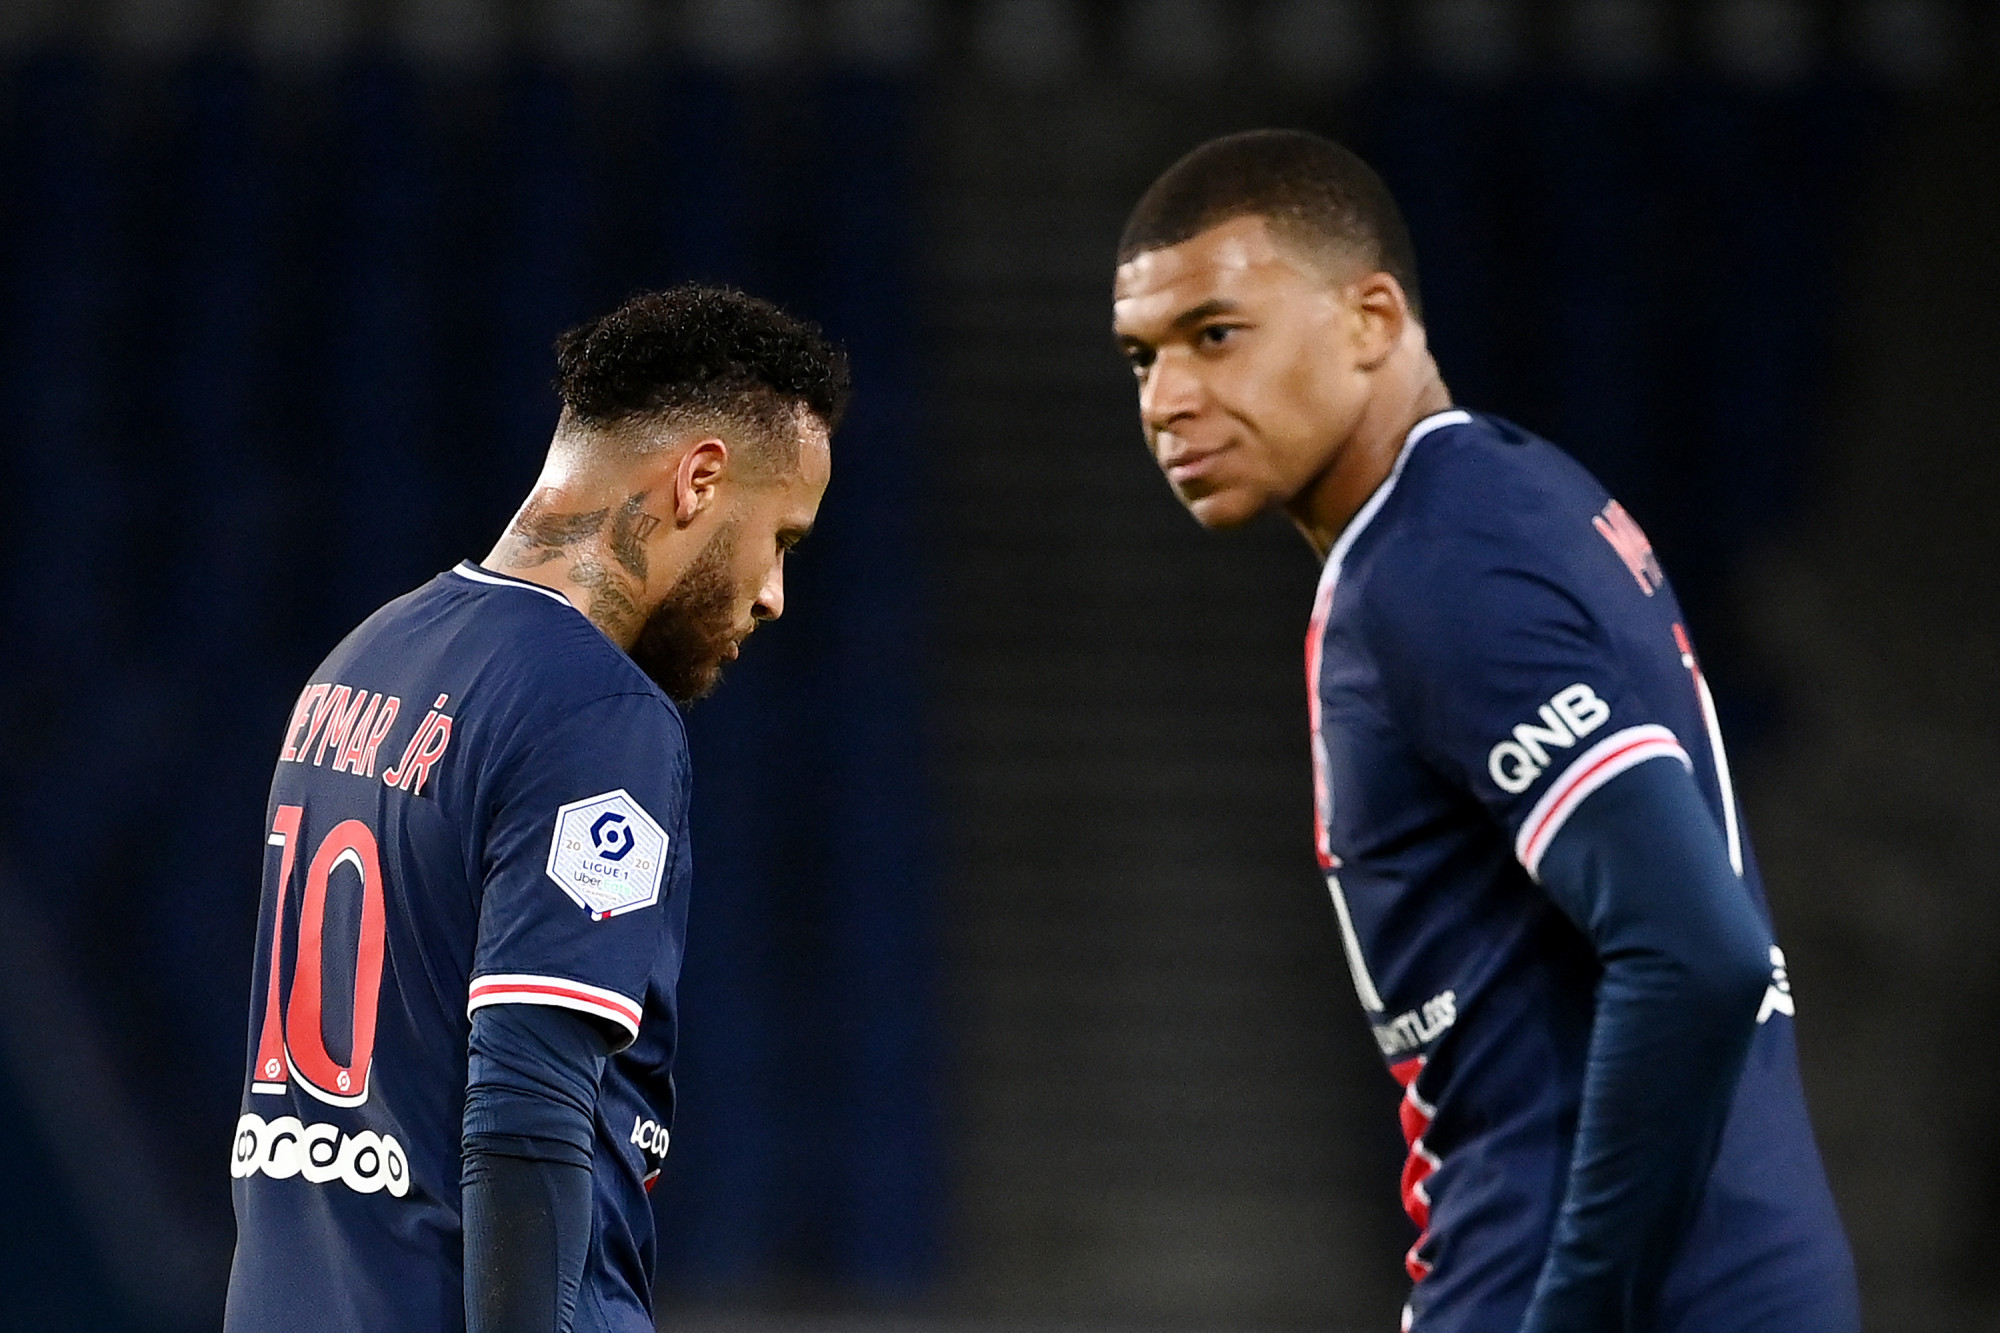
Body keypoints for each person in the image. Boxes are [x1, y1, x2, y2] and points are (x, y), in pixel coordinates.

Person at [1110, 130, 1858, 1333]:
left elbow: (1695, 957)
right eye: (1140, 359)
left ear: (1370, 318)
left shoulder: (1438, 564)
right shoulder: (1502, 499)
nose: (1168, 399)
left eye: (1215, 333)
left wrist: (1572, 1313)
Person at [223, 285, 848, 1333]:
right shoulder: (594, 708)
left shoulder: (364, 658)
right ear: (701, 478)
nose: (774, 591)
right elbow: (527, 1115)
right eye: (779, 535)